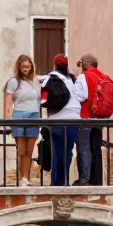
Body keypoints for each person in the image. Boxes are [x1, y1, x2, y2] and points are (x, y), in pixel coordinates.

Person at [43, 54, 81, 186]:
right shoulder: (72, 79)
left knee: (57, 150)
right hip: (74, 119)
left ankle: (56, 182)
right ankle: (64, 180)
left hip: (57, 119)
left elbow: (43, 98)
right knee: (68, 150)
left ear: (55, 64)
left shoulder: (50, 77)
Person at [5, 55, 42, 187]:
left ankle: (27, 177)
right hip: (19, 115)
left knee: (30, 150)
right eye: (23, 66)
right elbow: (8, 100)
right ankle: (21, 178)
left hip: (34, 115)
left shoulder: (36, 81)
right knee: (21, 149)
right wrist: (7, 116)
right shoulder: (14, 82)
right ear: (19, 67)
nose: (26, 69)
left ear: (31, 66)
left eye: (28, 66)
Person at [74, 53, 106, 186]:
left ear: (85, 63)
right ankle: (97, 179)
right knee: (96, 149)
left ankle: (85, 178)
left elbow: (82, 96)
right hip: (99, 118)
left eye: (81, 63)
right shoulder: (102, 77)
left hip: (86, 116)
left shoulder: (84, 76)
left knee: (84, 148)